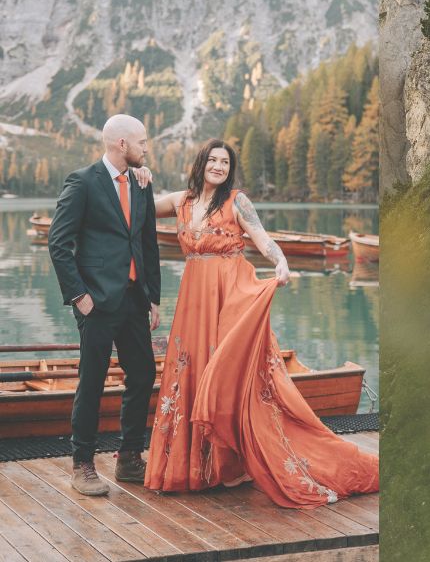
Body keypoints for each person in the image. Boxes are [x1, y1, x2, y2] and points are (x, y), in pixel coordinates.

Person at [140, 140, 378, 507]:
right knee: (191, 372)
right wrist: (137, 175)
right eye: (213, 160)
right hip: (194, 300)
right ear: (201, 163)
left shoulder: (237, 201)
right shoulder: (180, 201)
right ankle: (204, 468)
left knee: (232, 374)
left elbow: (263, 239)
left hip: (231, 297)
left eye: (225, 162)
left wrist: (281, 261)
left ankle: (241, 461)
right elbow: (135, 206)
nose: (219, 166)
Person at [48, 114, 161, 495]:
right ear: (122, 145)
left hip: (133, 299)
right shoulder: (83, 182)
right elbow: (58, 243)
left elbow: (147, 243)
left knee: (143, 375)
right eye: (142, 142)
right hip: (95, 301)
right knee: (92, 382)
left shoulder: (141, 183)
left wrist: (154, 297)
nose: (147, 148)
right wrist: (78, 296)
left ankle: (129, 459)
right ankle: (83, 464)